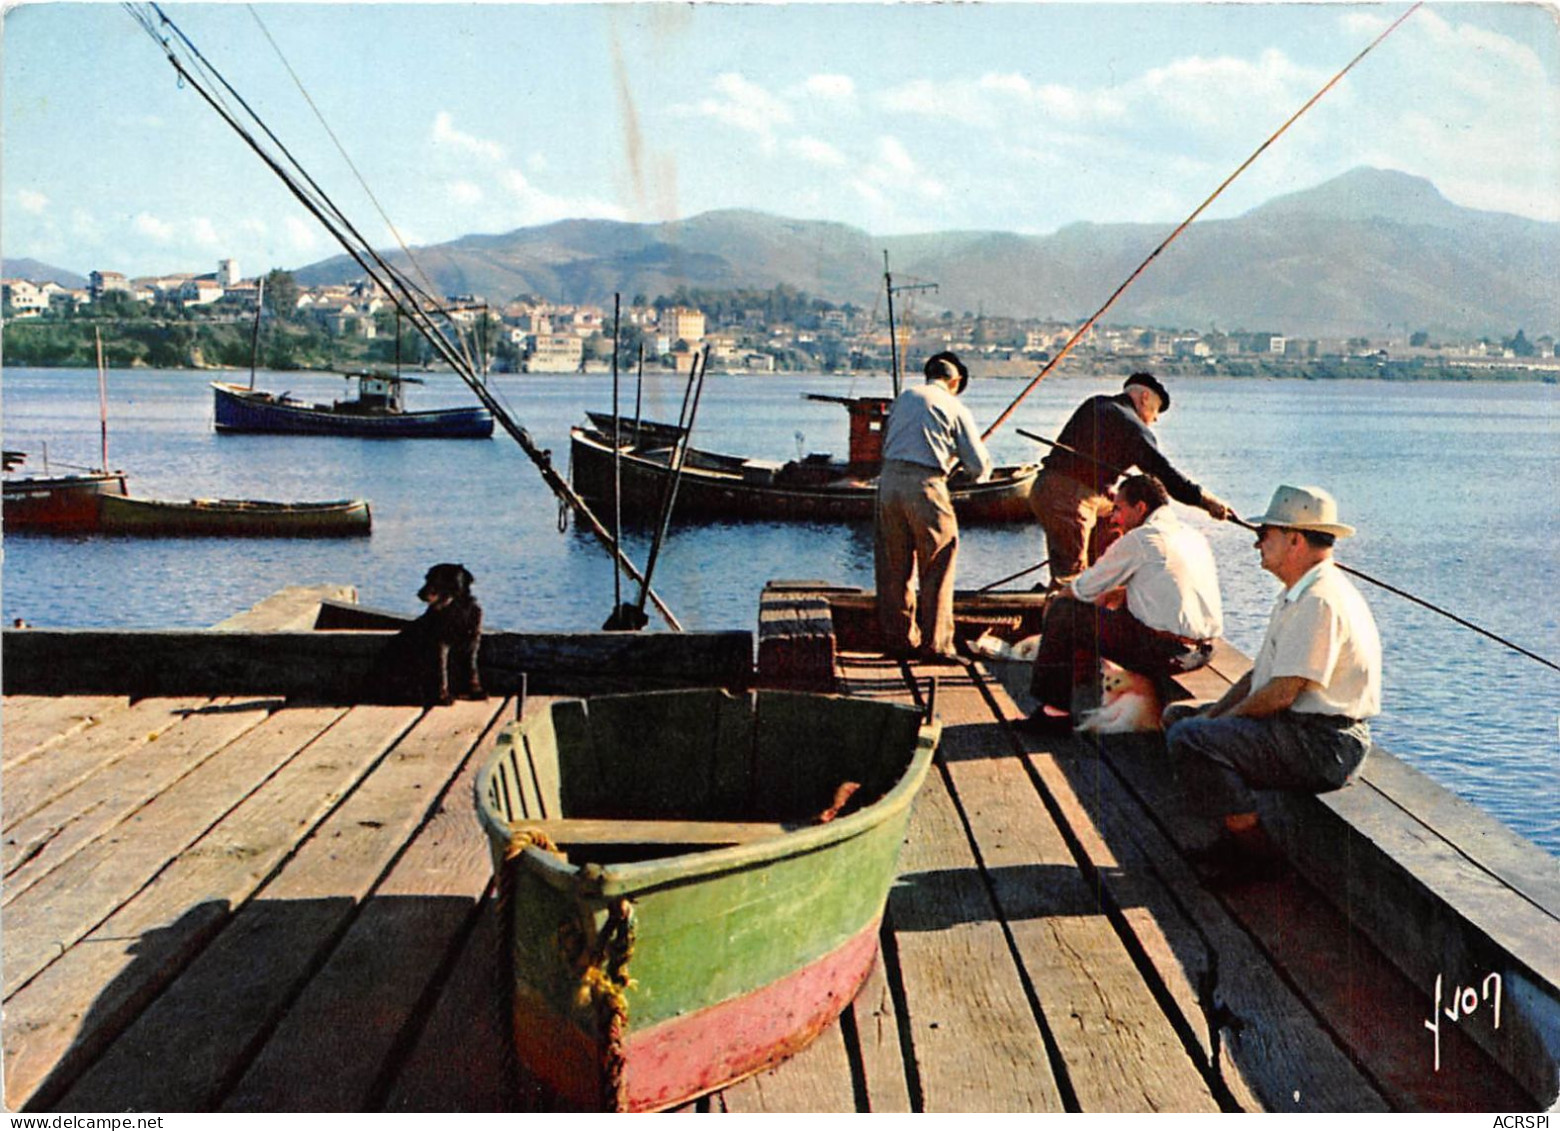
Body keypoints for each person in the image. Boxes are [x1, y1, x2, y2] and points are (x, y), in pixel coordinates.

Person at [1164, 485, 1381, 881]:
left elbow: (1283, 692)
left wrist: (1213, 726)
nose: (1257, 543)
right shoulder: (1299, 594)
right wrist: (1214, 715)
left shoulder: (1320, 600)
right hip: (1302, 732)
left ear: (1295, 539)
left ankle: (1257, 855)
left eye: (1266, 534)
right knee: (1180, 719)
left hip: (1325, 745)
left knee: (1191, 738)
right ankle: (1235, 836)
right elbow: (1256, 678)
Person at [1020, 473, 1223, 733]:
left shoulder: (1140, 539)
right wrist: (1118, 594)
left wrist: (1056, 599)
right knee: (1117, 602)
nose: (1114, 518)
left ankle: (1054, 715)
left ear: (1141, 508)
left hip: (1167, 654)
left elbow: (1083, 588)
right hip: (1204, 652)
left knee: (1064, 612)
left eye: (1118, 509)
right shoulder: (1193, 535)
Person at [1028, 372, 1232, 586]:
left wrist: (1106, 490)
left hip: (1045, 488)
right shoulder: (1132, 426)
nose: (1155, 418)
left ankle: (1106, 591)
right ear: (1144, 397)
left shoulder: (1096, 403)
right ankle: (1065, 608)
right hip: (1068, 498)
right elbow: (1167, 478)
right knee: (1070, 578)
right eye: (1155, 409)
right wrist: (1207, 501)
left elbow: (1088, 460)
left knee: (1111, 534)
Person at [875, 351, 993, 663]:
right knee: (938, 561)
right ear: (955, 382)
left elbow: (891, 441)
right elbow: (979, 467)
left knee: (893, 567)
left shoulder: (904, 398)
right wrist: (957, 471)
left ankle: (899, 639)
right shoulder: (955, 406)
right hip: (925, 485)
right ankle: (937, 645)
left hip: (888, 484)